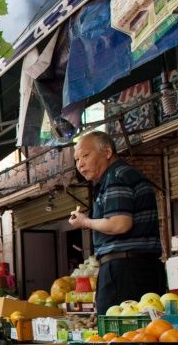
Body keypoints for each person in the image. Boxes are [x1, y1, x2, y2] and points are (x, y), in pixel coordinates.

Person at [69, 130, 166, 314]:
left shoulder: (116, 177)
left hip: (126, 271)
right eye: (77, 159)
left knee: (120, 336)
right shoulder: (121, 176)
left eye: (85, 156)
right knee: (146, 332)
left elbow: (120, 223)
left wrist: (86, 222)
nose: (80, 164)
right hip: (141, 269)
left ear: (107, 152)